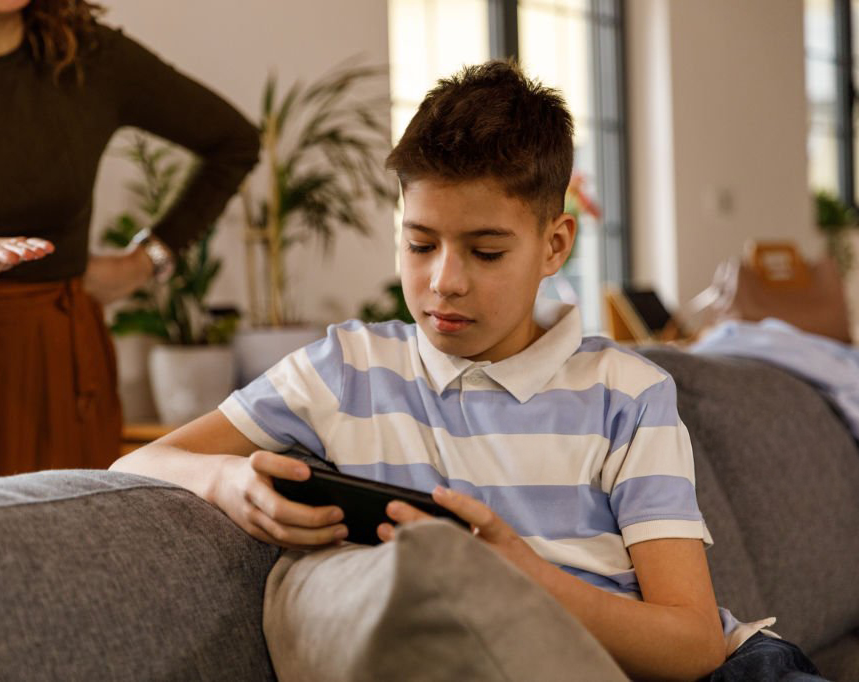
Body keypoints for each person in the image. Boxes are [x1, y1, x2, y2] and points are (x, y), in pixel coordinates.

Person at [110, 62, 823, 680]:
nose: (443, 282)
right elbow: (140, 464)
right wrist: (226, 478)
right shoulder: (345, 369)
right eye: (419, 244)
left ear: (555, 244)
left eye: (485, 252)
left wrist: (520, 575)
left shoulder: (627, 394)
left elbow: (694, 644)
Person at [0, 0, 259, 496]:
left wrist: (148, 260)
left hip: (55, 345)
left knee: (73, 546)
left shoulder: (91, 56)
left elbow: (234, 142)